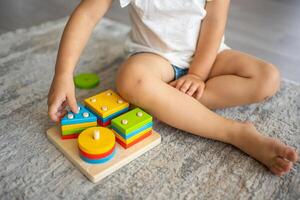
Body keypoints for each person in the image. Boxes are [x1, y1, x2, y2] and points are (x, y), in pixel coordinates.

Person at [48, 0, 298, 176]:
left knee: (268, 77)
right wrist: (63, 73)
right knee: (130, 79)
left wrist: (199, 73)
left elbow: (214, 21)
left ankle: (168, 102)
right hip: (156, 58)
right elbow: (87, 13)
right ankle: (235, 133)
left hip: (208, 54)